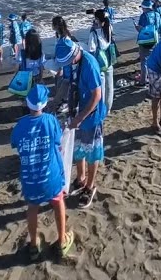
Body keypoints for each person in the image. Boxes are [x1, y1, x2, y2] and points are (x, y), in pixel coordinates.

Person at [10, 85, 73, 260]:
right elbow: (58, 140)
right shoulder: (50, 121)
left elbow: (14, 143)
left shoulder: (20, 125)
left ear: (27, 103)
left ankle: (33, 244)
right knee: (58, 201)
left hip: (30, 178)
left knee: (32, 207)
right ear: (45, 104)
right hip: (50, 175)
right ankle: (61, 240)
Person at [55, 37, 106, 209]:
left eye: (68, 61)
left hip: (91, 115)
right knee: (78, 148)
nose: (67, 64)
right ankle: (80, 177)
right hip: (75, 110)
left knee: (91, 150)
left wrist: (80, 118)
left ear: (75, 54)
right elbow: (66, 82)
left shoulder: (89, 64)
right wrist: (55, 103)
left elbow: (96, 96)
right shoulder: (70, 63)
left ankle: (90, 186)